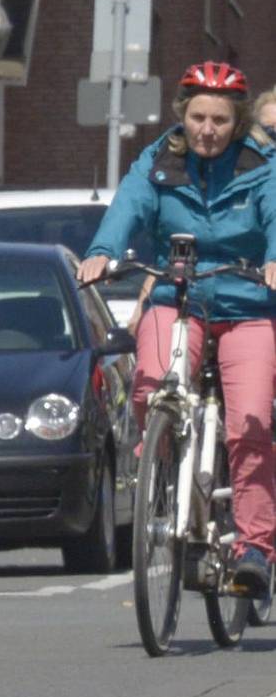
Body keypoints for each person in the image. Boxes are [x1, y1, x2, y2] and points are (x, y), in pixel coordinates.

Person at [79, 61, 276, 600]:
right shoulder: (158, 162)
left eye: (219, 120)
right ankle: (167, 475)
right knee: (151, 383)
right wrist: (102, 252)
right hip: (178, 297)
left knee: (250, 422)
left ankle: (255, 547)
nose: (207, 130)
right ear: (182, 116)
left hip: (246, 304)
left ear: (236, 123)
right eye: (197, 118)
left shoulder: (262, 165)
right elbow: (128, 209)